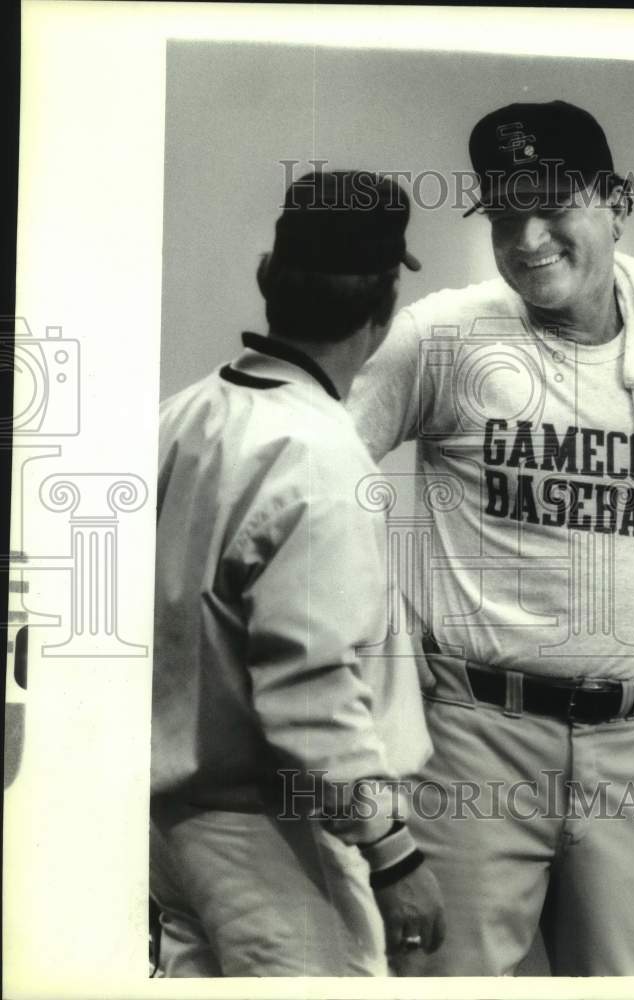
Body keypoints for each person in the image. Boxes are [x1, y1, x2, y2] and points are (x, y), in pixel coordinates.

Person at [346, 101, 634, 976]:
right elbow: (315, 473)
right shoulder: (444, 337)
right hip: (476, 734)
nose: (527, 239)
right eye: (503, 213)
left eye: (554, 205)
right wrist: (369, 638)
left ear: (616, 202)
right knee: (443, 984)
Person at [149, 169, 445, 977]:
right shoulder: (321, 458)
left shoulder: (183, 416)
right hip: (277, 841)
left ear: (267, 281)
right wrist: (393, 856)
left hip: (172, 830)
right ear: (383, 310)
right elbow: (311, 685)